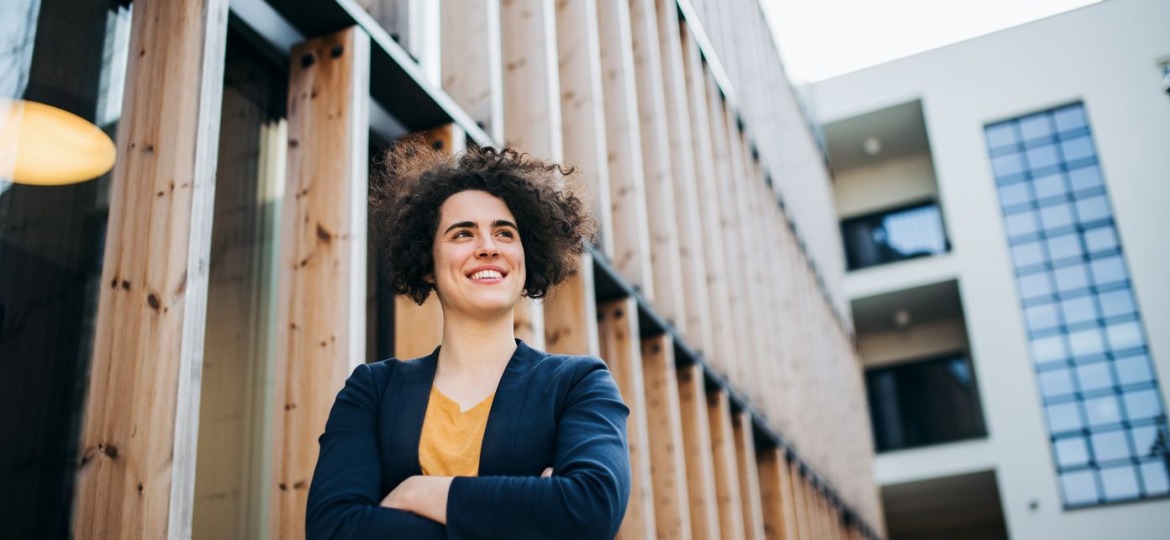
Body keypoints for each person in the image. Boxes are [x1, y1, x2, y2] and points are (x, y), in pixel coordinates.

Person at [305, 141, 632, 539]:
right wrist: (531, 516)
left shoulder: (578, 384)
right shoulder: (373, 391)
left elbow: (590, 509)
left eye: (504, 233)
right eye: (463, 234)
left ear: (527, 260)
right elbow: (334, 530)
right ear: (428, 264)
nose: (488, 247)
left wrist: (418, 491)